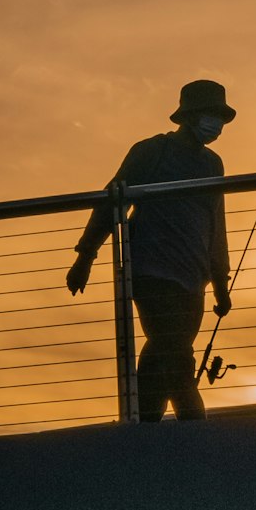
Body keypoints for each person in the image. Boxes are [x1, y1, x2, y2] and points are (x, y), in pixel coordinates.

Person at [66, 79, 235, 422]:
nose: (215, 123)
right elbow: (111, 203)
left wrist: (220, 283)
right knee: (176, 357)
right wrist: (85, 255)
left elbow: (217, 224)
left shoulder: (213, 164)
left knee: (163, 356)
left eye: (219, 116)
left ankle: (143, 432)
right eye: (209, 114)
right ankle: (199, 433)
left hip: (193, 280)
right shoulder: (151, 152)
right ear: (188, 116)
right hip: (151, 272)